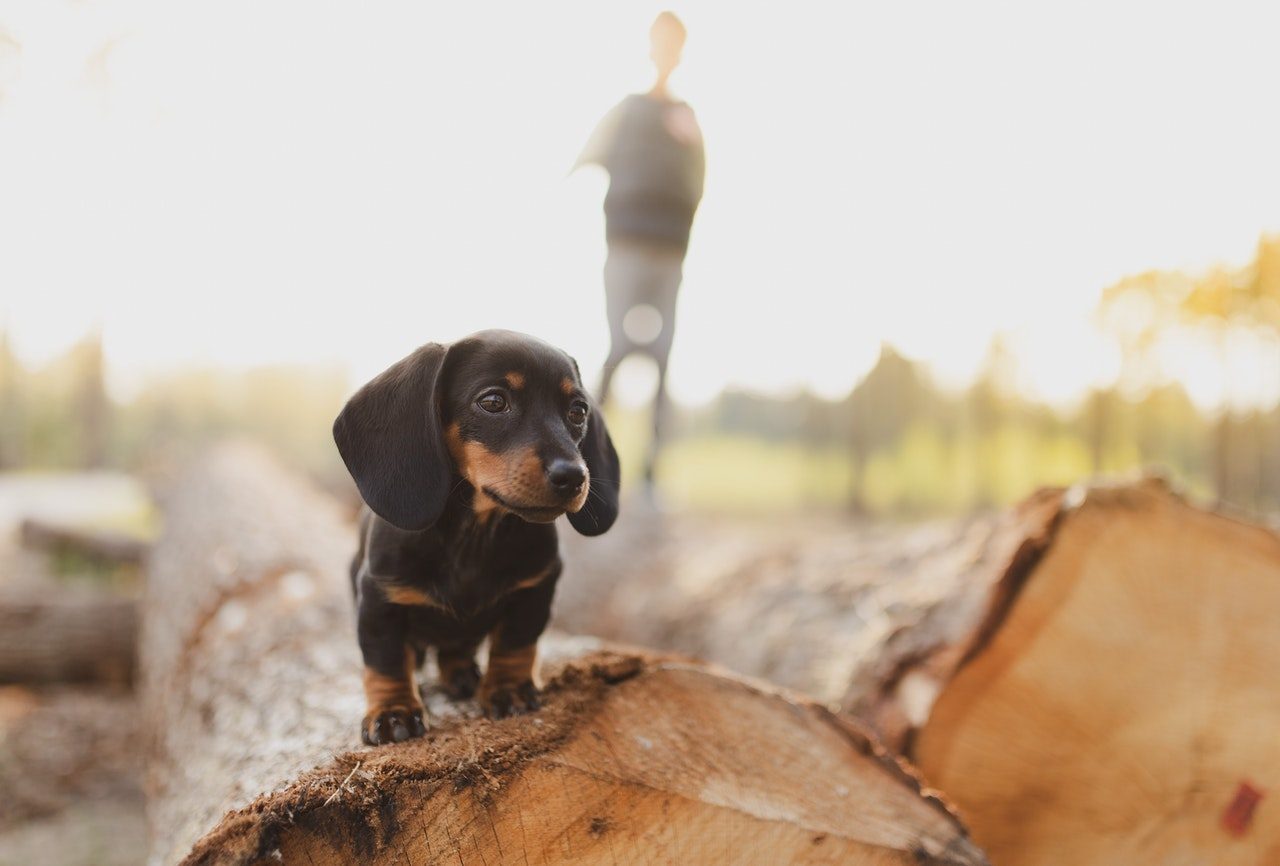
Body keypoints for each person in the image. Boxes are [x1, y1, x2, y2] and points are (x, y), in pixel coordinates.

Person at [575, 10, 705, 491]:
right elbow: (588, 154)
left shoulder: (687, 116)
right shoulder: (627, 110)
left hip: (670, 251)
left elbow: (700, 180)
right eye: (661, 41)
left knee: (662, 357)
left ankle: (651, 473)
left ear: (682, 51)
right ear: (651, 46)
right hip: (625, 245)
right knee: (617, 350)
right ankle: (588, 459)